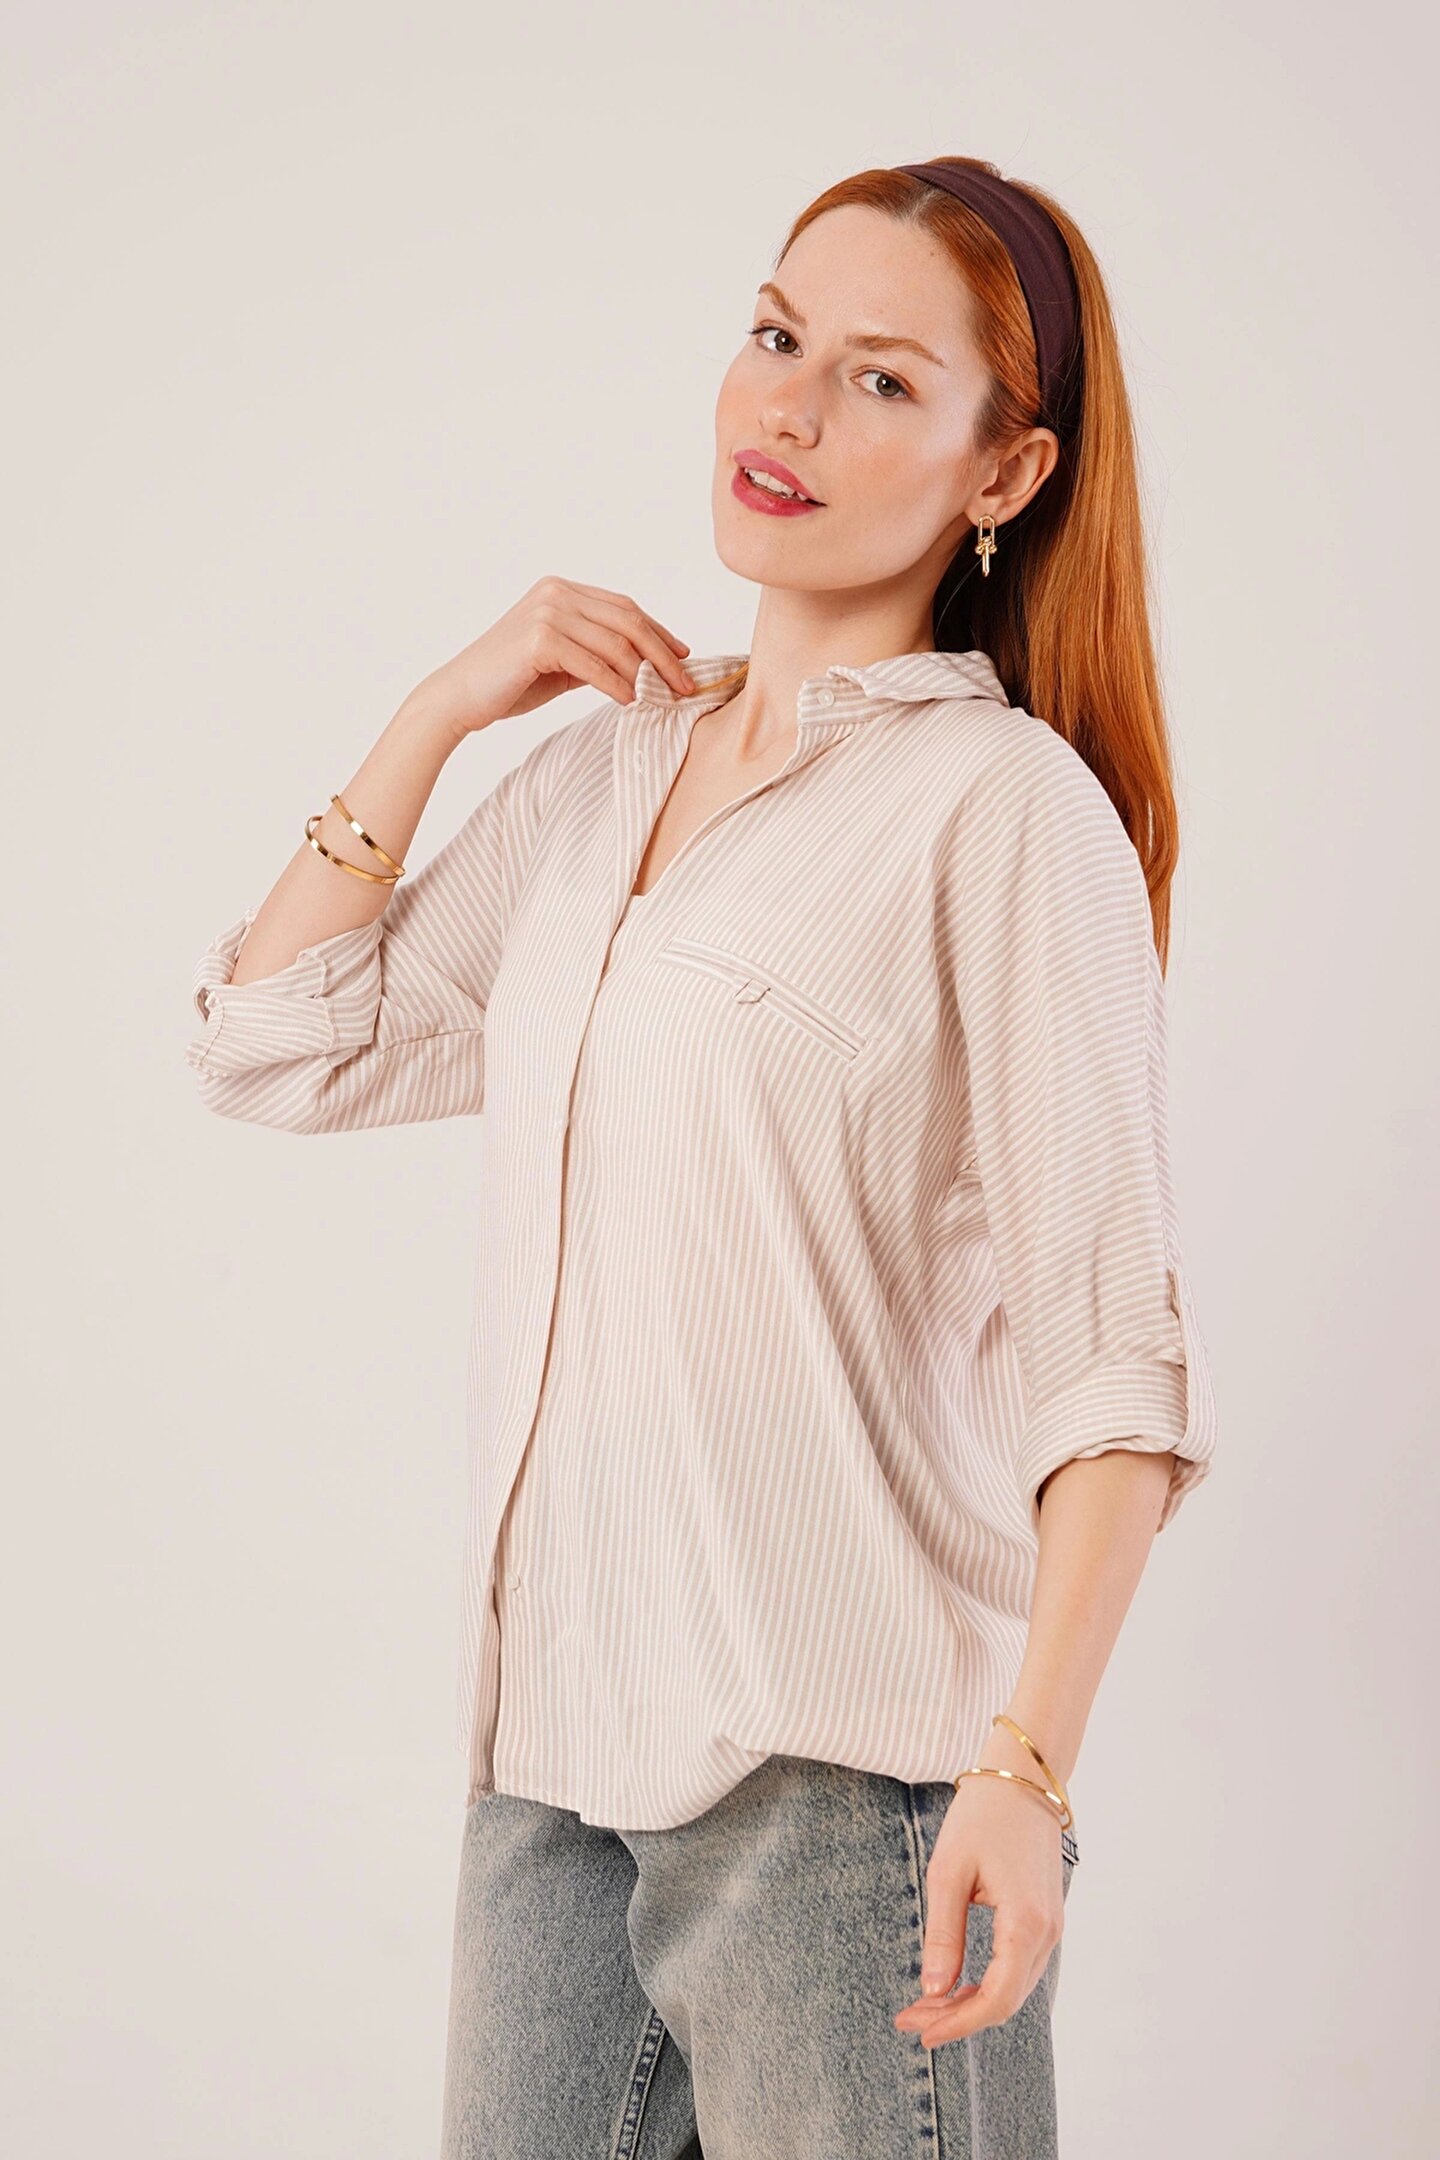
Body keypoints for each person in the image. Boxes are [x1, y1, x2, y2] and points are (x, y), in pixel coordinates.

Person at [185, 154, 1218, 2158]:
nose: (790, 409)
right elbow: (276, 1048)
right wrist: (444, 708)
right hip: (544, 1778)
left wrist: (1026, 1770)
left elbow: (1115, 1364)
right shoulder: (601, 774)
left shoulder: (1001, 809)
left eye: (883, 380)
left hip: (838, 1791)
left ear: (1006, 475)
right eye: (775, 337)